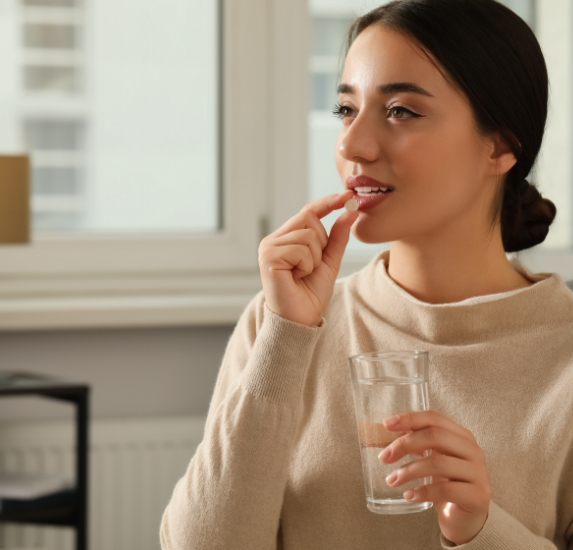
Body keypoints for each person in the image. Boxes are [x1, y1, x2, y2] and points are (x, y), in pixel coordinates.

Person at [160, 0, 573, 548]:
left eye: (401, 110)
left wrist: (480, 528)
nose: (351, 146)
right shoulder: (283, 322)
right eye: (346, 110)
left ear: (499, 146)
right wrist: (286, 340)